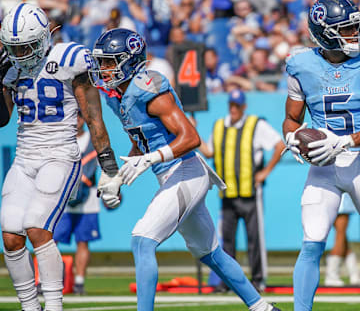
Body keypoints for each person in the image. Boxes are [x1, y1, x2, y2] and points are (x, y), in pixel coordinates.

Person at [89, 28, 281, 311]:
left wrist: (153, 158)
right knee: (210, 252)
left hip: (186, 170)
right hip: (173, 174)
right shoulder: (117, 95)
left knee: (142, 240)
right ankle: (263, 308)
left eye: (109, 62)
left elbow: (190, 137)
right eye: (101, 62)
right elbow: (139, 139)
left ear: (129, 61)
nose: (103, 69)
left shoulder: (148, 88)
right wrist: (118, 177)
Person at [0, 3, 122, 311]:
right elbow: (2, 118)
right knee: (10, 236)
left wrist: (108, 165)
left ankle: (53, 307)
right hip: (25, 158)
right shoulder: (11, 67)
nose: (22, 53)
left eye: (27, 46)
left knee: (37, 228)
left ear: (43, 38)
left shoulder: (67, 59)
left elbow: (93, 116)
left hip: (60, 154)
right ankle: (30, 307)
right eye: (15, 48)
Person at [282, 0, 360, 311]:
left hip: (356, 159)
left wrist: (346, 141)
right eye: (347, 29)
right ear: (326, 32)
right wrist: (291, 137)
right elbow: (291, 119)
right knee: (312, 242)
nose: (354, 34)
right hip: (323, 166)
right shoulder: (301, 65)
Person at [193, 89, 285, 293]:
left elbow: (280, 145)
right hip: (228, 194)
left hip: (251, 193)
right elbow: (208, 152)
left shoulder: (256, 125)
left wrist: (265, 173)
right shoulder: (219, 126)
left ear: (243, 107)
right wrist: (194, 133)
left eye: (237, 106)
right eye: (231, 105)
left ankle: (258, 279)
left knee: (255, 239)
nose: (234, 109)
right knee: (227, 242)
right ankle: (227, 281)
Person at [53, 111, 102, 295]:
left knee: (83, 241)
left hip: (87, 199)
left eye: (79, 117)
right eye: (73, 117)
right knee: (52, 240)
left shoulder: (94, 140)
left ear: (83, 119)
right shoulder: (61, 141)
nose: (76, 121)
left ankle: (79, 283)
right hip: (63, 198)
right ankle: (48, 281)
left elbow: (101, 167)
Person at [324, 193, 359, 286]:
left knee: (342, 236)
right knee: (340, 234)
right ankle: (332, 275)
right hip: (341, 194)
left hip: (331, 193)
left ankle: (354, 274)